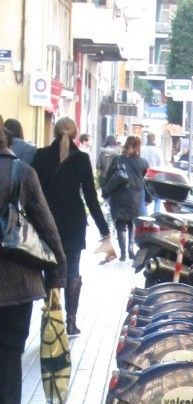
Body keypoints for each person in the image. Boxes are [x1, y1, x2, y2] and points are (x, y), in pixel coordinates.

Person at [0, 116, 66, 404]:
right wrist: (58, 276)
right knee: (9, 356)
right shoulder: (22, 173)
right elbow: (46, 226)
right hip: (18, 285)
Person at [32, 117, 110, 337]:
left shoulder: (41, 155)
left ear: (55, 132)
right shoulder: (82, 159)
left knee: (50, 270)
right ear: (75, 134)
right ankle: (71, 322)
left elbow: (34, 194)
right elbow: (91, 198)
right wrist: (103, 228)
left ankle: (51, 320)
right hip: (74, 223)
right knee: (73, 270)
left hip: (47, 222)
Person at [101, 134, 148, 262]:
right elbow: (144, 179)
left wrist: (105, 191)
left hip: (119, 196)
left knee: (120, 224)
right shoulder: (143, 162)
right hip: (136, 197)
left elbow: (109, 175)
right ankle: (131, 250)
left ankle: (123, 254)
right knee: (132, 223)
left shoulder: (118, 159)